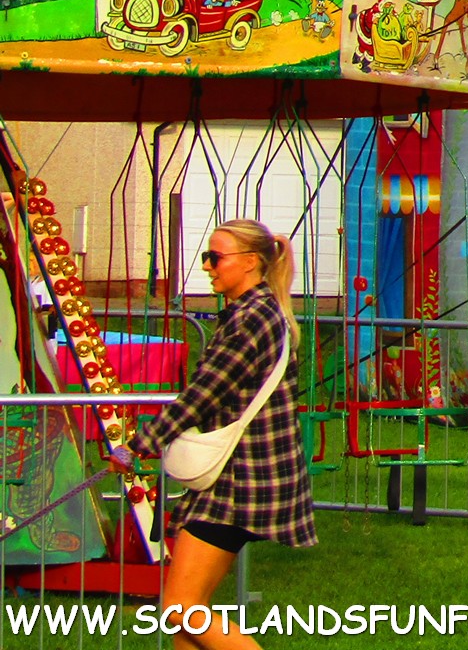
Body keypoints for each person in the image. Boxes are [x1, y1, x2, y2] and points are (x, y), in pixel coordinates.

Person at [119, 220, 314, 650]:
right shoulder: (257, 312)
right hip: (235, 475)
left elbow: (203, 394)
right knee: (184, 611)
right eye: (207, 256)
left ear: (250, 263)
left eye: (215, 257)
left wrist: (141, 445)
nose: (207, 266)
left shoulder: (252, 319)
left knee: (182, 607)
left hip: (243, 480)